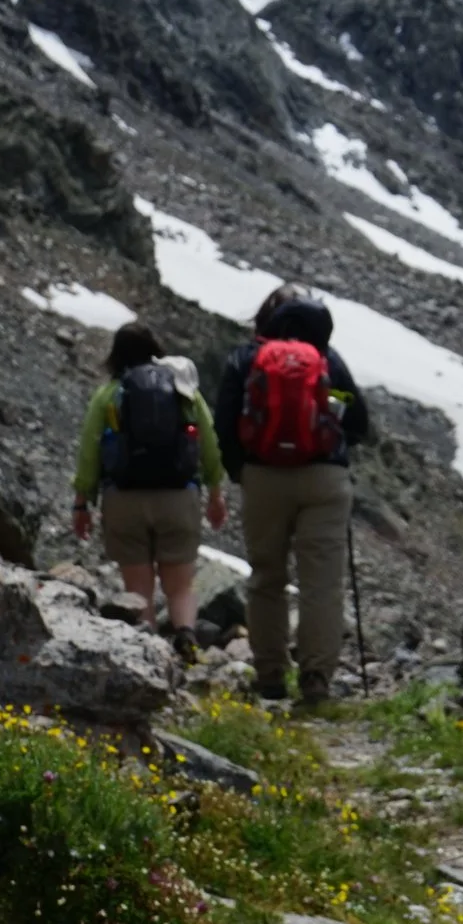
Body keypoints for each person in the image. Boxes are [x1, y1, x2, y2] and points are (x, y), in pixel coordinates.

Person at [214, 283, 369, 705]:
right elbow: (357, 420)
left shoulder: (246, 359)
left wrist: (240, 470)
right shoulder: (327, 360)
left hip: (264, 476)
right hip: (323, 478)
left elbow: (224, 422)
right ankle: (317, 678)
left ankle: (271, 675)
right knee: (321, 583)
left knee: (267, 578)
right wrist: (329, 413)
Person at [73, 321, 226, 659]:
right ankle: (185, 635)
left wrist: (82, 503)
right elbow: (210, 443)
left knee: (138, 587)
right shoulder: (184, 389)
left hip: (124, 498)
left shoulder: (108, 394)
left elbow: (90, 451)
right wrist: (215, 491)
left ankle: (148, 653)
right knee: (180, 584)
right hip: (178, 496)